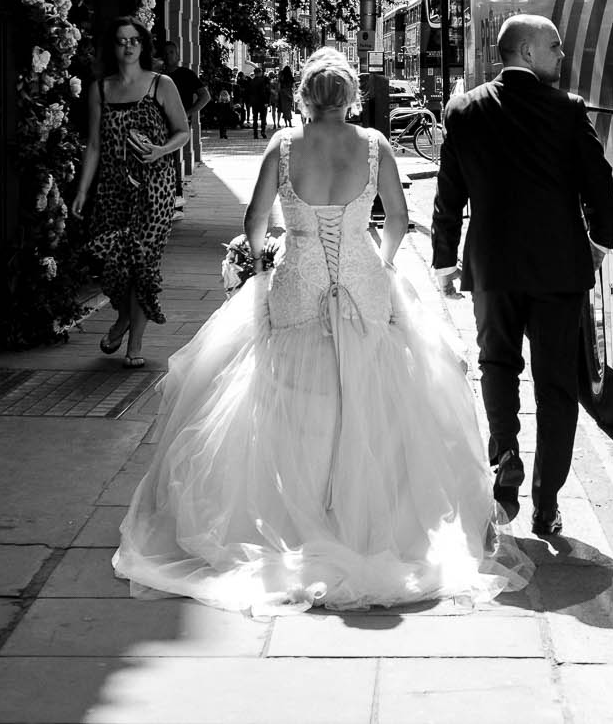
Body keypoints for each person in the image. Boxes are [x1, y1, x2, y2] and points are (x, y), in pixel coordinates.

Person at [113, 48, 531, 614]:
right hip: (362, 280)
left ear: (305, 95)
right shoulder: (375, 145)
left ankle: (293, 513)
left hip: (299, 280)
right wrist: (382, 262)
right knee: (373, 393)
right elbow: (398, 218)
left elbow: (254, 219)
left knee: (291, 396)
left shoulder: (284, 146)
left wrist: (259, 259)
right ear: (352, 96)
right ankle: (364, 514)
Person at [431, 15, 613, 538]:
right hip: (559, 269)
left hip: (492, 266)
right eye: (555, 46)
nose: (562, 55)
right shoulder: (568, 109)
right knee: (556, 384)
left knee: (497, 363)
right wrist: (599, 243)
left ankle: (506, 453)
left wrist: (445, 260)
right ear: (528, 52)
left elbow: (449, 194)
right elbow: (599, 183)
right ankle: (546, 501)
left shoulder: (463, 110)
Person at [73, 17, 192, 366]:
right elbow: (94, 145)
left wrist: (160, 151)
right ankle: (123, 317)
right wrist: (82, 190)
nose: (128, 46)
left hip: (154, 188)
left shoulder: (160, 84)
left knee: (143, 264)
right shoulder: (100, 89)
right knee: (113, 265)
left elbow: (182, 131)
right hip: (113, 188)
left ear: (143, 45)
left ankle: (135, 345)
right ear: (112, 47)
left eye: (134, 40)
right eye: (121, 40)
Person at [158, 38, 210, 166]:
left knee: (173, 154)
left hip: (179, 122)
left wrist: (188, 113)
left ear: (178, 56)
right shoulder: (157, 76)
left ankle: (175, 177)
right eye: (165, 53)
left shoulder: (187, 74)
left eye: (171, 52)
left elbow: (205, 96)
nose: (168, 55)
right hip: (160, 121)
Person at [246, 68, 272, 136]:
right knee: (263, 117)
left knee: (255, 117)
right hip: (262, 101)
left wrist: (249, 102)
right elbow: (264, 92)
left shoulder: (251, 82)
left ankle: (255, 132)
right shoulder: (262, 81)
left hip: (254, 102)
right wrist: (266, 101)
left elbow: (248, 92)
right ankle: (263, 131)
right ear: (260, 73)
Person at [274, 64, 295, 128]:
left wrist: (278, 93)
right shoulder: (291, 77)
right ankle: (290, 122)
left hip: (283, 94)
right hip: (289, 93)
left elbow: (279, 86)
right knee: (288, 109)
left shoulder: (282, 77)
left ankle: (286, 123)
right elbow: (293, 86)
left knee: (284, 109)